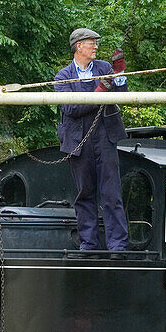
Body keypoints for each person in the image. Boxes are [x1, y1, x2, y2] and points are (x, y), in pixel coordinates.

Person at [54, 28, 130, 251]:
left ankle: (118, 245)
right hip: (78, 141)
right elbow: (72, 108)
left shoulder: (105, 68)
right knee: (84, 193)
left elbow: (122, 94)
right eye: (91, 43)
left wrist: (119, 73)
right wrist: (99, 91)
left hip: (105, 136)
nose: (96, 46)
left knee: (112, 192)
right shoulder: (62, 77)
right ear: (79, 46)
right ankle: (89, 244)